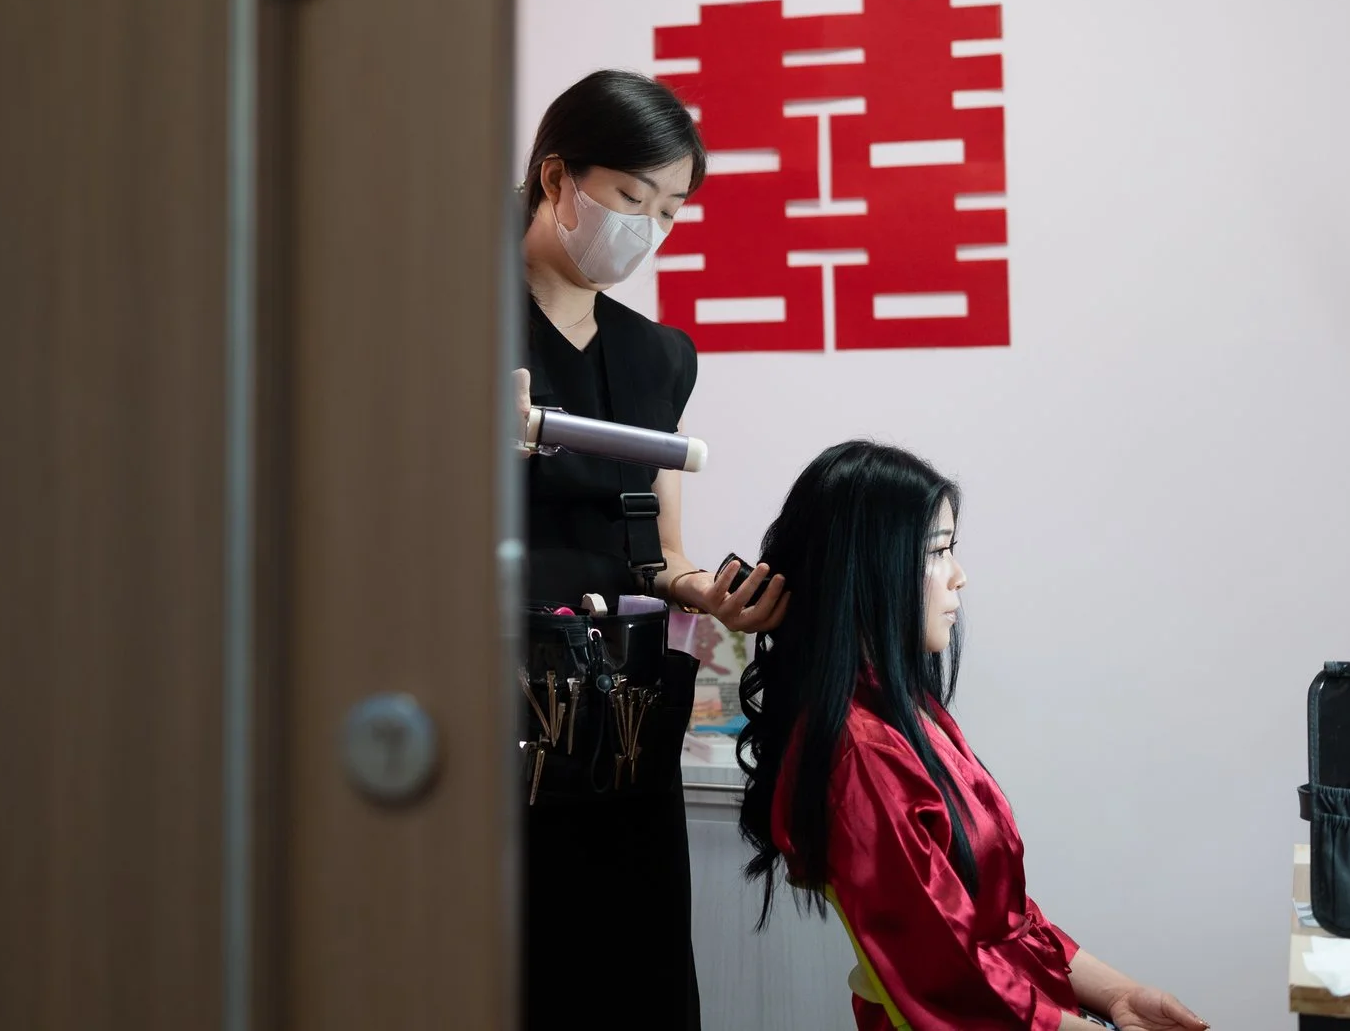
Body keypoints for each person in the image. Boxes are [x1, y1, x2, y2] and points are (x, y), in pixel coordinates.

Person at [735, 442, 1206, 1031]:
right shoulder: (864, 756)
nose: (960, 575)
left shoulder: (907, 714)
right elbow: (952, 976)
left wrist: (1120, 997)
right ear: (869, 568)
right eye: (938, 551)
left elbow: (1000, 920)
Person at [516, 70, 789, 1031]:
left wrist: (712, 594)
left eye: (669, 211)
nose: (648, 230)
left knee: (631, 967)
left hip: (618, 717)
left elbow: (660, 550)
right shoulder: (443, 324)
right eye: (633, 198)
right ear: (558, 178)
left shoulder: (656, 357)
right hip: (494, 716)